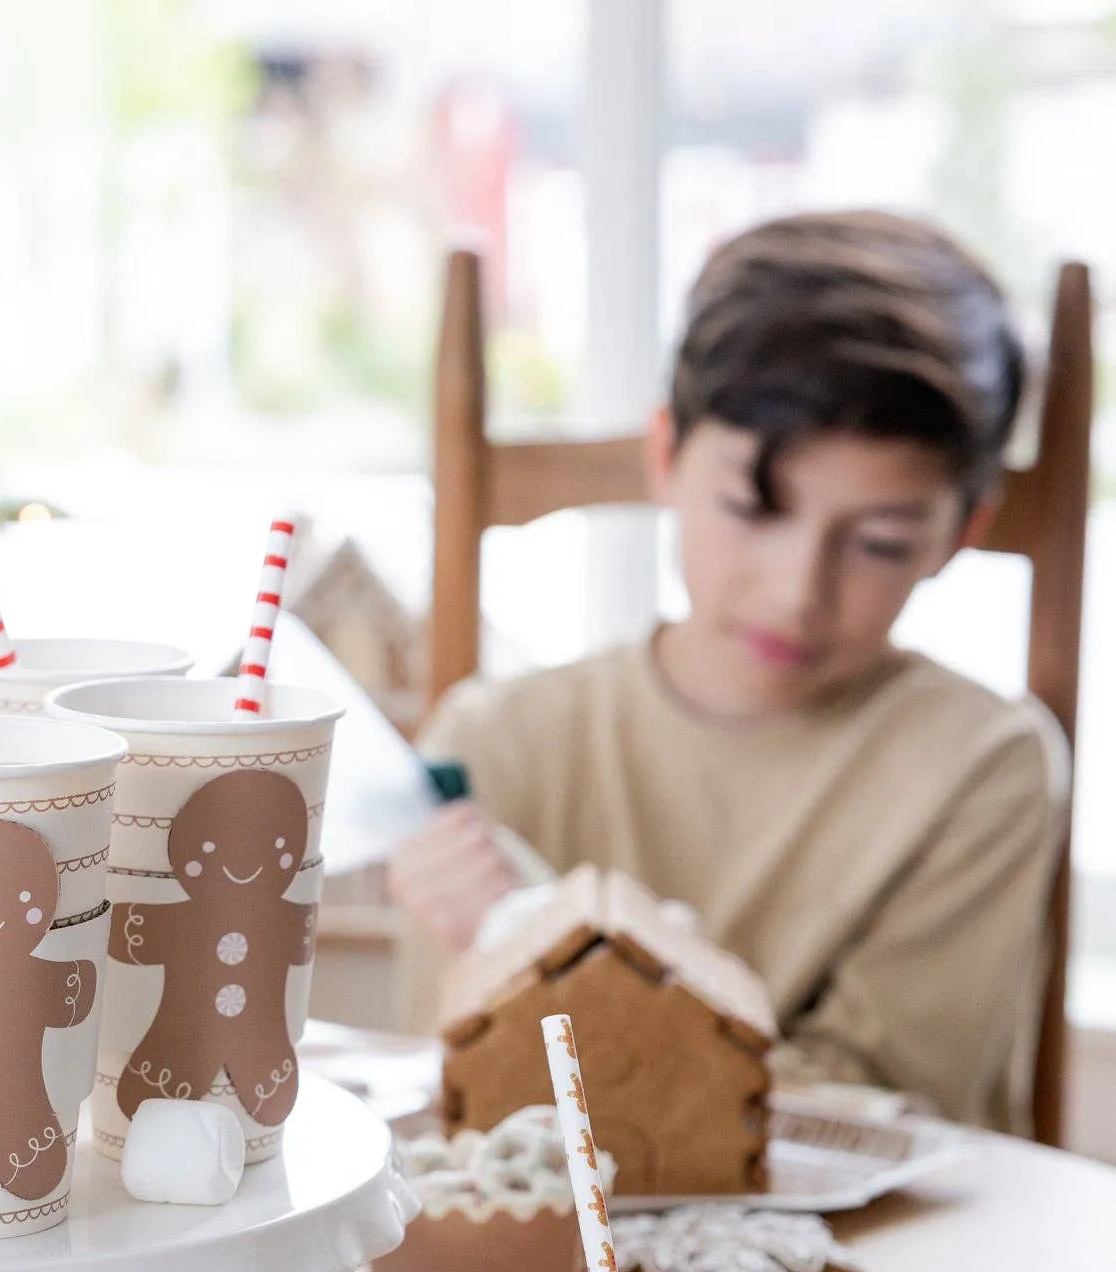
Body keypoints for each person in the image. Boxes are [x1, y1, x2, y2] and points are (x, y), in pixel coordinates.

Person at [391, 210, 1069, 1133]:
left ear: (963, 533)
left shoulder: (983, 764)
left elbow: (881, 1126)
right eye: (753, 510)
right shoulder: (494, 747)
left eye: (879, 543)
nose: (798, 592)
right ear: (665, 456)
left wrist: (545, 953)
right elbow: (467, 1119)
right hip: (547, 1268)